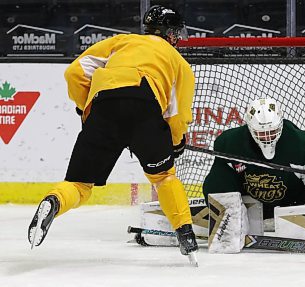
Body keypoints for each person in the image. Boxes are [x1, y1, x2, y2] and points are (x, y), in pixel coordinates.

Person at [28, 5, 198, 259]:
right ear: (170, 33)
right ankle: (185, 234)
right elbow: (177, 115)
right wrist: (174, 143)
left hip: (103, 104)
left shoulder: (121, 42)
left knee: (78, 184)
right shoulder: (179, 62)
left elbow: (74, 72)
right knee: (163, 176)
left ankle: (54, 201)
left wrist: (86, 107)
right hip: (144, 105)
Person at [202, 98, 305, 219]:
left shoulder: (301, 142)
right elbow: (219, 178)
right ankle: (227, 217)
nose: (267, 137)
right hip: (251, 207)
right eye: (261, 133)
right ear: (250, 127)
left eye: (272, 132)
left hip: (296, 205)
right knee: (218, 178)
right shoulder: (229, 143)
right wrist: (223, 207)